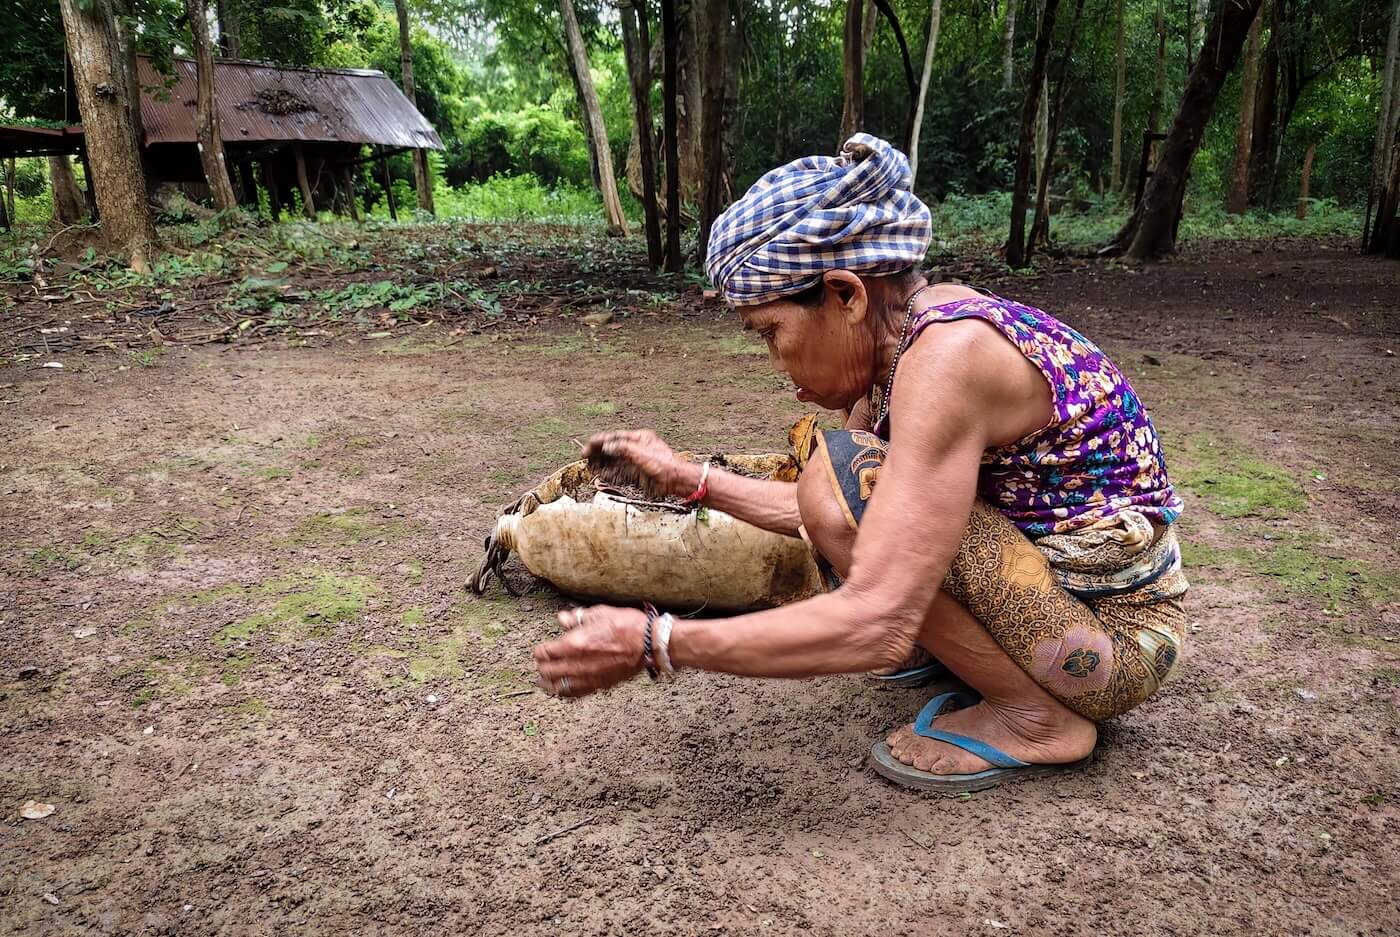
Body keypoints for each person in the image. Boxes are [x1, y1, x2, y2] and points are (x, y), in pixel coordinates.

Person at [532, 134, 1189, 793]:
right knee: (840, 475)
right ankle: (977, 664)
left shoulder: (945, 360)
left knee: (840, 471)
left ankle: (1036, 717)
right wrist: (688, 479)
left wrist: (658, 641)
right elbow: (829, 517)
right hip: (1070, 624)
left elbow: (877, 615)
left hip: (1115, 647)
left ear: (846, 295)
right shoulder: (902, 348)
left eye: (770, 333)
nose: (776, 364)